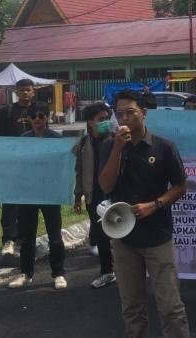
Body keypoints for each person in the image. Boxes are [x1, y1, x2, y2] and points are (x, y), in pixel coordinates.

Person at [98, 89, 190, 338]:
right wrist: (118, 148)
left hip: (157, 236)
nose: (125, 118)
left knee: (170, 307)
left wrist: (156, 204)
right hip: (123, 239)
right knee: (132, 307)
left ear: (144, 113)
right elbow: (105, 186)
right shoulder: (110, 146)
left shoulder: (164, 147)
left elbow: (181, 186)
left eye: (131, 112)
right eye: (120, 114)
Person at [8, 102, 68, 290]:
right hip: (28, 194)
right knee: (27, 237)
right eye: (34, 116)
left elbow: (65, 164)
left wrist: (73, 153)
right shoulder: (23, 140)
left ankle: (58, 273)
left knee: (55, 236)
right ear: (29, 119)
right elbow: (14, 164)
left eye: (42, 116)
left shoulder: (57, 139)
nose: (38, 120)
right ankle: (26, 273)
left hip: (50, 193)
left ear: (47, 118)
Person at [0, 78, 36, 256]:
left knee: (29, 204)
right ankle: (8, 240)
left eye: (28, 90)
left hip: (33, 165)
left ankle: (25, 239)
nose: (25, 93)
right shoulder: (7, 112)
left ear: (33, 91)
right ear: (16, 92)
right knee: (10, 203)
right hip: (12, 164)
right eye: (22, 90)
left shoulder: (38, 111)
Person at [76, 102, 116, 289]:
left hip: (114, 195)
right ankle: (107, 272)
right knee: (101, 236)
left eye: (107, 118)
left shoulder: (116, 140)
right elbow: (80, 170)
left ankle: (127, 273)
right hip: (93, 196)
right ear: (90, 122)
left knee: (121, 235)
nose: (106, 122)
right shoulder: (84, 143)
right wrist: (78, 196)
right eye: (101, 119)